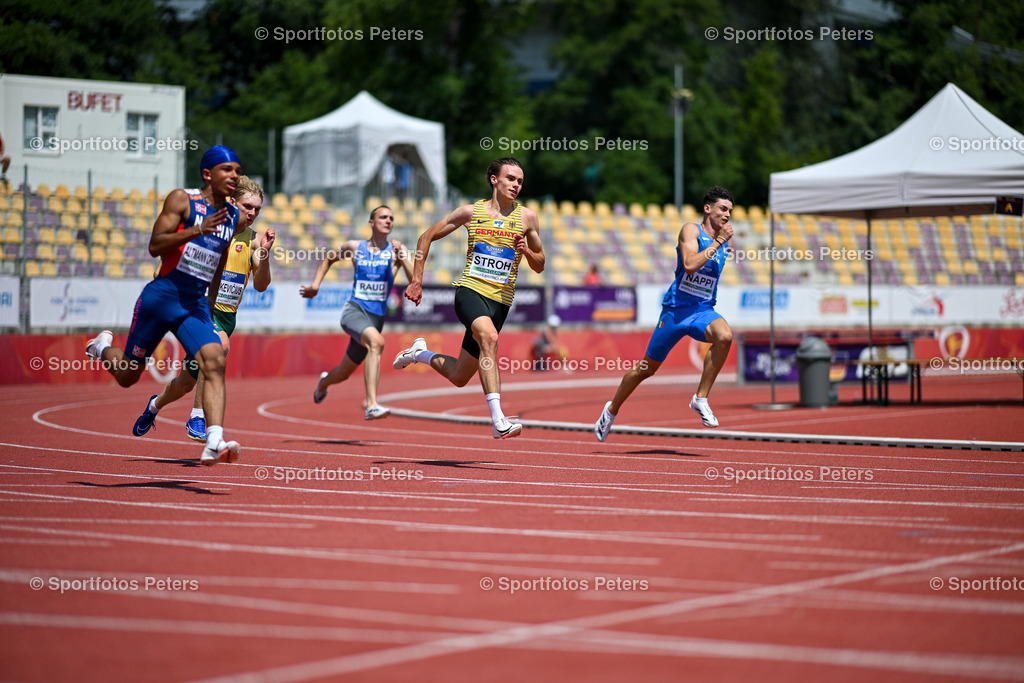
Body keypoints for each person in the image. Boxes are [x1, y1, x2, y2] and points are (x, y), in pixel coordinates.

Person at [84, 145, 246, 465]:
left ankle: (214, 440)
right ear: (207, 174)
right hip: (162, 297)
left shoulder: (233, 216)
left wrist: (209, 310)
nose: (234, 176)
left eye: (238, 171)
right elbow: (155, 245)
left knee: (214, 360)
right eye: (227, 170)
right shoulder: (182, 199)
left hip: (194, 303)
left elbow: (218, 263)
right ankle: (101, 347)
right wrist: (197, 230)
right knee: (128, 375)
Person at [393, 157, 545, 439]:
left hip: (501, 302)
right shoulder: (469, 212)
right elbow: (425, 237)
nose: (516, 185)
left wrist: (526, 252)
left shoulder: (527, 218)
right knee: (489, 338)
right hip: (470, 291)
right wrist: (416, 279)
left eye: (520, 181)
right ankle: (499, 420)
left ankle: (419, 353)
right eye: (510, 179)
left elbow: (540, 264)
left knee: (460, 376)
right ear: (494, 180)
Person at [131, 175, 274, 442]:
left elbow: (262, 284)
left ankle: (154, 406)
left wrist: (264, 254)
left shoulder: (254, 240)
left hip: (227, 316)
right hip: (199, 307)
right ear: (232, 202)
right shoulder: (212, 230)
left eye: (257, 209)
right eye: (247, 207)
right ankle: (197, 416)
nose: (253, 213)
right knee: (220, 347)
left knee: (185, 382)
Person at [594, 186, 735, 441]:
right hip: (674, 313)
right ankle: (611, 409)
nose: (727, 215)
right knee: (646, 369)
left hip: (702, 310)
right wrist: (719, 241)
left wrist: (722, 244)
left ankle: (700, 398)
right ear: (708, 208)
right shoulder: (692, 230)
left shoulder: (724, 243)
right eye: (723, 209)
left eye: (730, 211)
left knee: (724, 336)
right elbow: (690, 265)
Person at [300, 205, 413, 420]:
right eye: (383, 217)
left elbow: (415, 280)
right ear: (371, 223)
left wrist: (403, 256)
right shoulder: (355, 247)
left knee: (343, 373)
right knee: (377, 342)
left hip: (375, 319)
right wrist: (315, 286)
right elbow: (328, 259)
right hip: (354, 312)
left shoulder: (397, 250)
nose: (388, 220)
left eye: (391, 218)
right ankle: (371, 405)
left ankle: (324, 382)